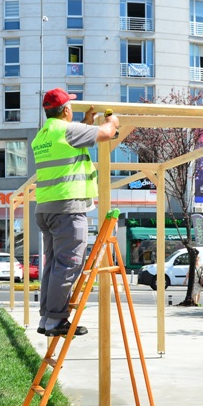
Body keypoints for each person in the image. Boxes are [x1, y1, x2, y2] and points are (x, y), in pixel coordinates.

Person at [32, 87, 120, 337]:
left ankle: (46, 319)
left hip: (47, 209)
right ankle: (56, 322)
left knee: (53, 266)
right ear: (66, 110)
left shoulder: (44, 134)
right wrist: (112, 121)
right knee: (68, 264)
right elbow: (105, 133)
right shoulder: (67, 130)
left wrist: (85, 123)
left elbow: (70, 143)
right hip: (67, 209)